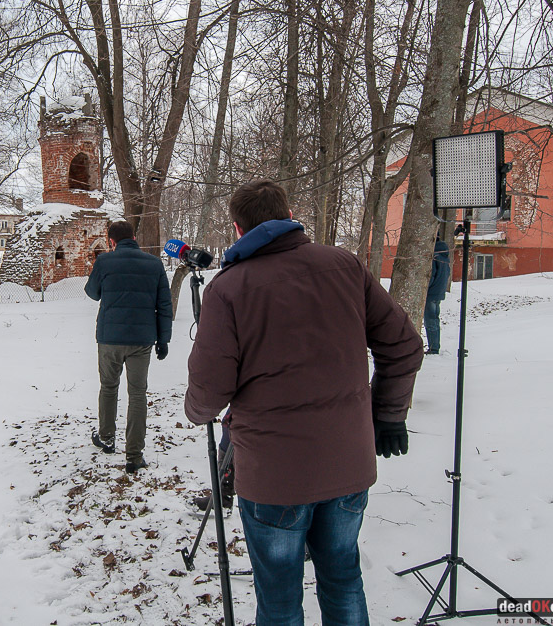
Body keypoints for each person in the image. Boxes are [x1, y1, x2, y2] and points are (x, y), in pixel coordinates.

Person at [185, 180, 423, 626]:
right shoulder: (345, 266)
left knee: (278, 597)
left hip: (274, 477)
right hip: (347, 464)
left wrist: (196, 412)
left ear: (239, 229)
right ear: (288, 213)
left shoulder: (229, 288)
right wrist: (388, 414)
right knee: (343, 577)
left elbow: (209, 389)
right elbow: (405, 346)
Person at [84, 220, 172, 475]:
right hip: (142, 340)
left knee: (109, 388)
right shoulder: (154, 264)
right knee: (137, 394)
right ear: (134, 237)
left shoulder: (104, 262)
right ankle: (134, 454)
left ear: (111, 241)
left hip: (110, 338)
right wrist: (163, 339)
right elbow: (164, 305)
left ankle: (107, 438)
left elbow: (92, 292)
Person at [424, 231, 451, 355]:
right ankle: (435, 346)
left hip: (431, 293)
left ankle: (433, 348)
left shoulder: (434, 256)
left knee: (430, 321)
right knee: (435, 319)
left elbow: (430, 276)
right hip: (439, 293)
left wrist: (425, 288)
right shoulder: (444, 256)